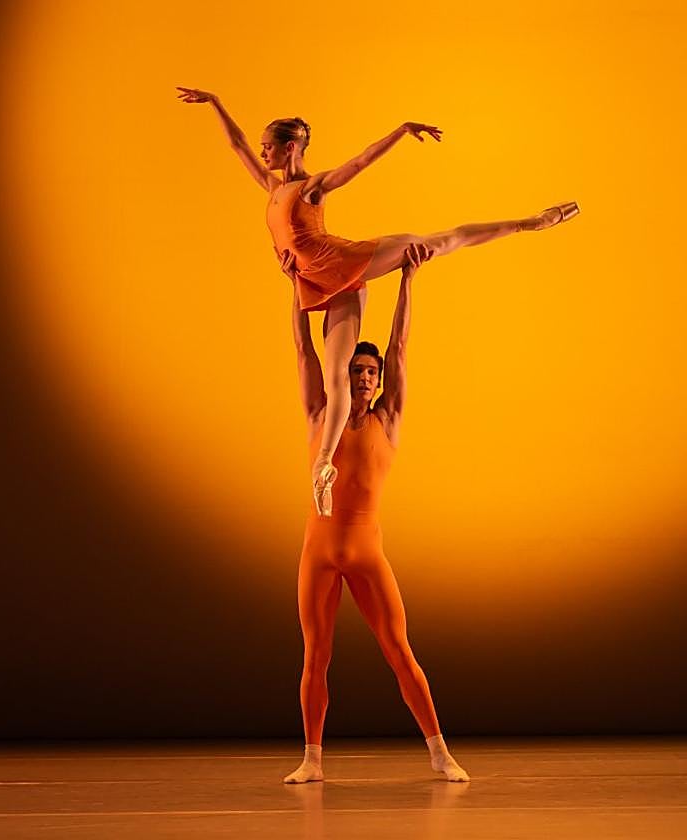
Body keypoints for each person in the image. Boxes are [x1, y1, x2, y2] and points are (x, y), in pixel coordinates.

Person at [177, 87, 579, 516]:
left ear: (289, 148)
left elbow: (360, 162)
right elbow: (236, 145)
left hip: (348, 262)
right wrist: (216, 103)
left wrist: (401, 131)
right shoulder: (270, 187)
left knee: (441, 241)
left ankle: (532, 222)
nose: (261, 154)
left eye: (268, 147)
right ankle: (324, 466)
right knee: (335, 381)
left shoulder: (311, 189)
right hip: (329, 288)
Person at [278, 242, 469, 784]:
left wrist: (409, 276)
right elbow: (303, 350)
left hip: (366, 552)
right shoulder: (321, 411)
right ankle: (311, 760)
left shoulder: (388, 417)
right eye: (356, 370)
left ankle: (439, 753)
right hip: (317, 552)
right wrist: (297, 288)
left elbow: (401, 346)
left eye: (370, 372)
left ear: (378, 380)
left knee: (399, 651)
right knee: (316, 657)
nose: (362, 378)